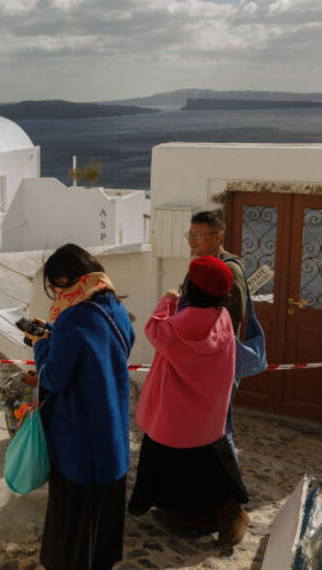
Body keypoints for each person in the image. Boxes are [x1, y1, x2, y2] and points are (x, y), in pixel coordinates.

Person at [128, 256, 250, 550]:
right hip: (207, 409)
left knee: (174, 463)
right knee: (207, 465)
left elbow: (153, 330)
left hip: (174, 411)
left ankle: (214, 514)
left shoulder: (179, 324)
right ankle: (208, 514)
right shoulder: (222, 319)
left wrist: (167, 301)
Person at [25, 243, 134, 570]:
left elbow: (54, 377)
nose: (55, 292)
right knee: (101, 525)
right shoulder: (113, 307)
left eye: (55, 284)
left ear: (64, 278)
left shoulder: (72, 318)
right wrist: (54, 335)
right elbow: (99, 350)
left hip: (79, 439)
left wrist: (41, 343)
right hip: (111, 435)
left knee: (73, 524)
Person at [183, 210, 251, 451]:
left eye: (198, 235)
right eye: (189, 235)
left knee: (221, 430)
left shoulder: (229, 270)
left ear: (217, 237)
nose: (191, 241)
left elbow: (232, 318)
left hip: (218, 362)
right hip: (199, 361)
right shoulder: (200, 266)